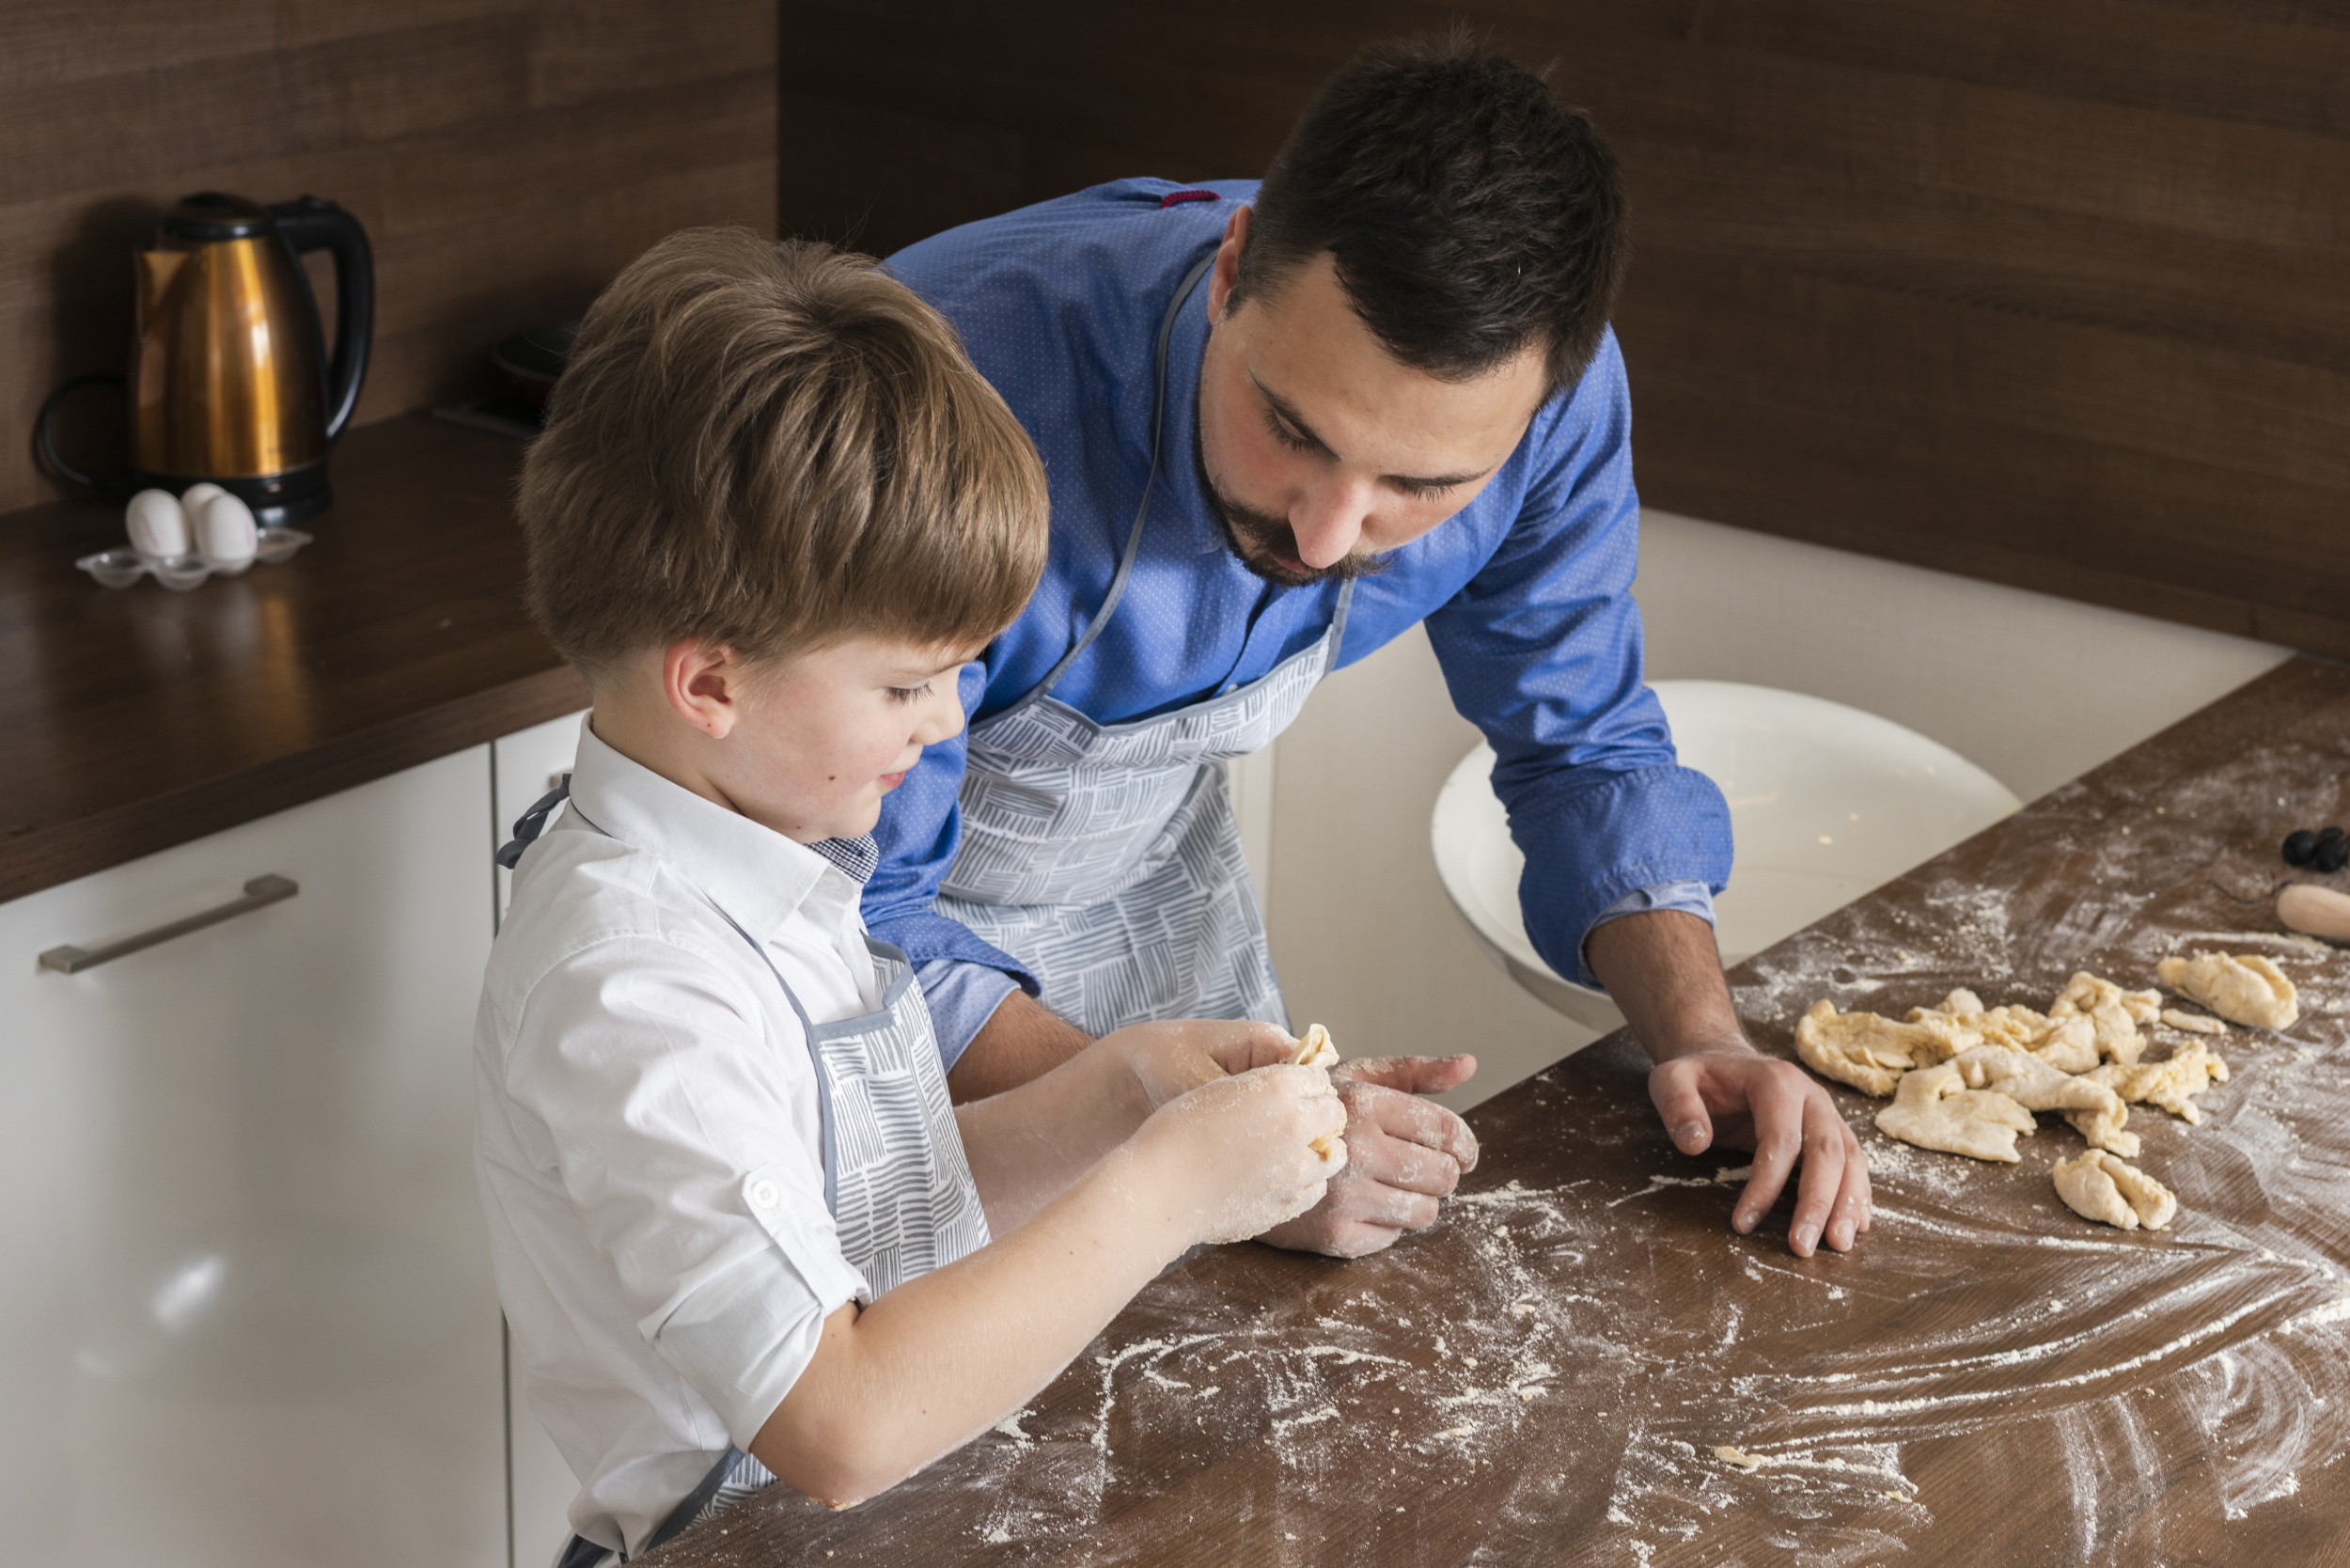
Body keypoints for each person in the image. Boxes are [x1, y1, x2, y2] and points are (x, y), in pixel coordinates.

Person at [866, 35, 1872, 1260]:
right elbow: (841, 907)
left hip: (1152, 898)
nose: (1325, 528)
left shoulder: (1549, 404)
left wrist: (1706, 1039)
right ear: (1234, 268)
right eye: (1291, 428)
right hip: (863, 950)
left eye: (1418, 484)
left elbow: (1584, 753)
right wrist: (1195, 1138)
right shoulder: (944, 386)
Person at [475, 229, 1348, 1563]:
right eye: (904, 685)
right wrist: (1170, 1190)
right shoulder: (631, 987)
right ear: (711, 684)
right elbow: (839, 1425)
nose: (950, 722)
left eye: (959, 671)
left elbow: (879, 1225)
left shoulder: (776, 844)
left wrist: (1122, 1094)